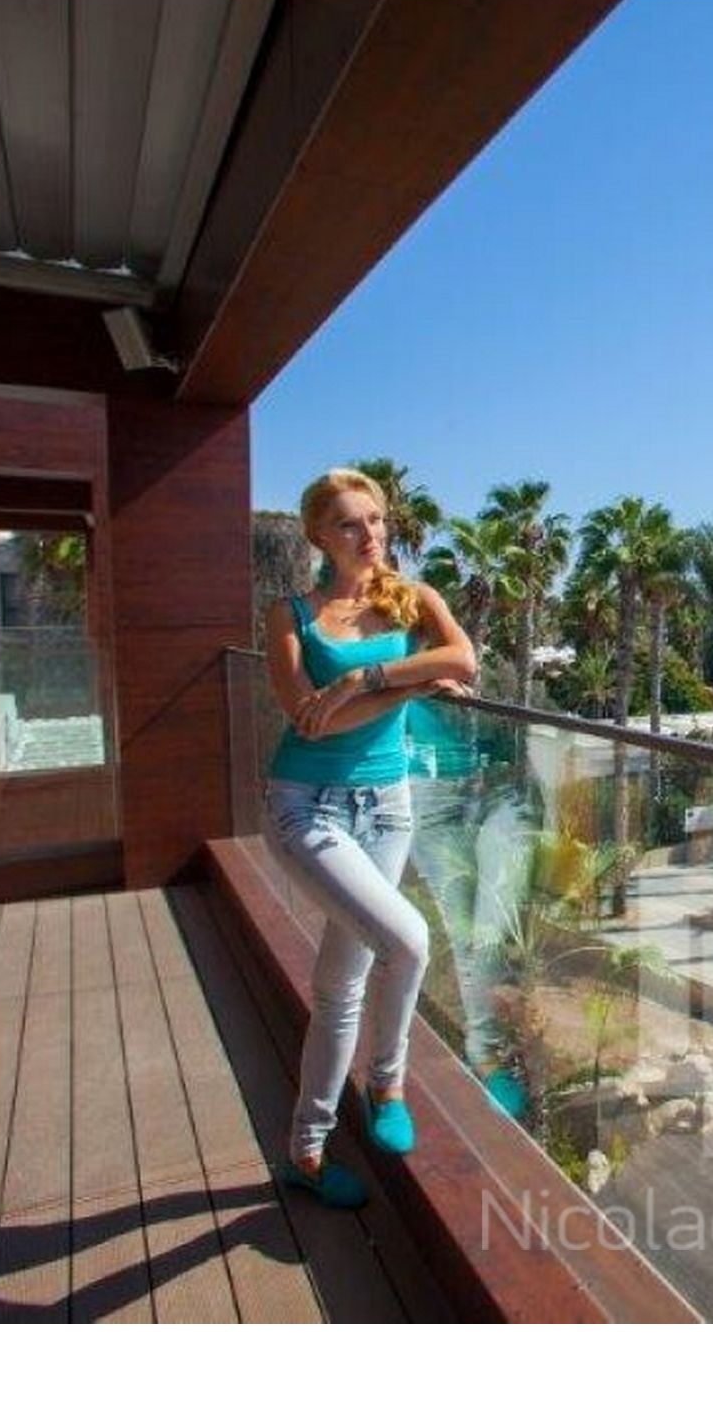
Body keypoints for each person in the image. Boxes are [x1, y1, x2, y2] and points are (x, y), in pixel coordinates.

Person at [263, 467, 478, 1208]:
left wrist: (364, 680)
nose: (370, 534)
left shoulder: (412, 601)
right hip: (306, 808)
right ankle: (388, 1084)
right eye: (350, 523)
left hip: (388, 808)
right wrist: (410, 685)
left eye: (377, 519)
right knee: (409, 941)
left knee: (340, 984)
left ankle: (306, 1150)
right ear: (319, 535)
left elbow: (463, 659)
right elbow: (310, 722)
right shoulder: (290, 615)